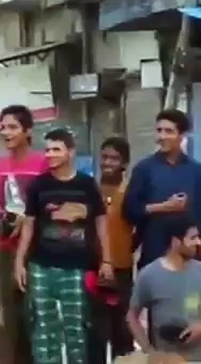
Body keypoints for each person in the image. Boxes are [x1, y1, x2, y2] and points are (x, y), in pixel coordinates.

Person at [14, 128, 114, 364]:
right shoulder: (39, 186)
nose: (49, 155)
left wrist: (106, 260)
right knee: (43, 327)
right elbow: (28, 225)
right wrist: (19, 262)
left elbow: (101, 225)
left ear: (70, 152)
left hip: (77, 267)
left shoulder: (87, 185)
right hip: (41, 265)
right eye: (47, 150)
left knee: (76, 326)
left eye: (56, 149)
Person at [0, 105, 47, 364]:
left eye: (12, 127)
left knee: (37, 313)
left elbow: (49, 202)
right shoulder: (0, 167)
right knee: (11, 318)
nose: (6, 132)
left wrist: (28, 220)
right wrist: (4, 219)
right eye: (3, 127)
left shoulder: (43, 163)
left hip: (38, 248)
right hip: (7, 246)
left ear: (28, 131)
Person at [126, 216, 201, 362]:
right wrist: (149, 351)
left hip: (200, 358)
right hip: (165, 358)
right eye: (193, 238)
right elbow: (132, 317)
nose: (198, 242)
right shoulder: (149, 275)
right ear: (176, 241)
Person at [124, 110, 201, 269]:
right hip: (154, 253)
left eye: (169, 131)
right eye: (159, 130)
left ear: (182, 135)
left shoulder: (196, 169)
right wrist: (164, 207)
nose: (162, 137)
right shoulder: (144, 168)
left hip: (188, 256)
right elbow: (130, 210)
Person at [89, 137, 135, 363]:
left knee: (122, 333)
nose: (108, 162)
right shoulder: (90, 190)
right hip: (93, 270)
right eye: (105, 157)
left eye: (114, 158)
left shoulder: (131, 192)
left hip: (122, 271)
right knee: (96, 334)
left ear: (124, 163)